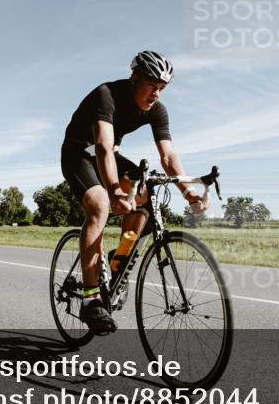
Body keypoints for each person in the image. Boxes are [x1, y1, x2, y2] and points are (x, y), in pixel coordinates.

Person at [61, 51, 208, 334]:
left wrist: (189, 194)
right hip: (79, 152)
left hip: (109, 155)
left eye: (162, 88)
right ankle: (91, 299)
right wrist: (115, 190)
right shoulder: (107, 95)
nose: (156, 94)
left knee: (145, 198)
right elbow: (103, 145)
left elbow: (168, 158)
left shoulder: (157, 110)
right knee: (100, 204)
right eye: (152, 85)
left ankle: (118, 261)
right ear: (134, 79)